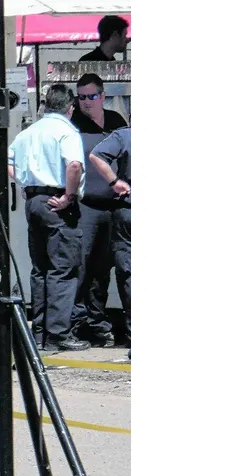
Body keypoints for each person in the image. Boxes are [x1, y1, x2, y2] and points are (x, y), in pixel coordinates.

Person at [9, 84, 92, 352]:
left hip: (34, 200)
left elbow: (7, 160)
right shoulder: (66, 131)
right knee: (63, 268)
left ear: (45, 105)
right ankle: (58, 334)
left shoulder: (27, 132)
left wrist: (24, 181)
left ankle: (42, 332)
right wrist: (69, 195)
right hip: (58, 201)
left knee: (40, 268)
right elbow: (75, 165)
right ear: (70, 108)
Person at [71, 73, 128, 346]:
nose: (86, 102)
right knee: (83, 266)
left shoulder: (117, 122)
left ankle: (99, 321)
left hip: (115, 206)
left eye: (91, 96)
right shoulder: (74, 125)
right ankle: (79, 322)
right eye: (81, 97)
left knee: (105, 268)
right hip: (86, 205)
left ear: (102, 96)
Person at [87, 128, 131, 350]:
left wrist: (115, 182)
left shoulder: (124, 135)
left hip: (128, 207)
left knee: (129, 272)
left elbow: (96, 155)